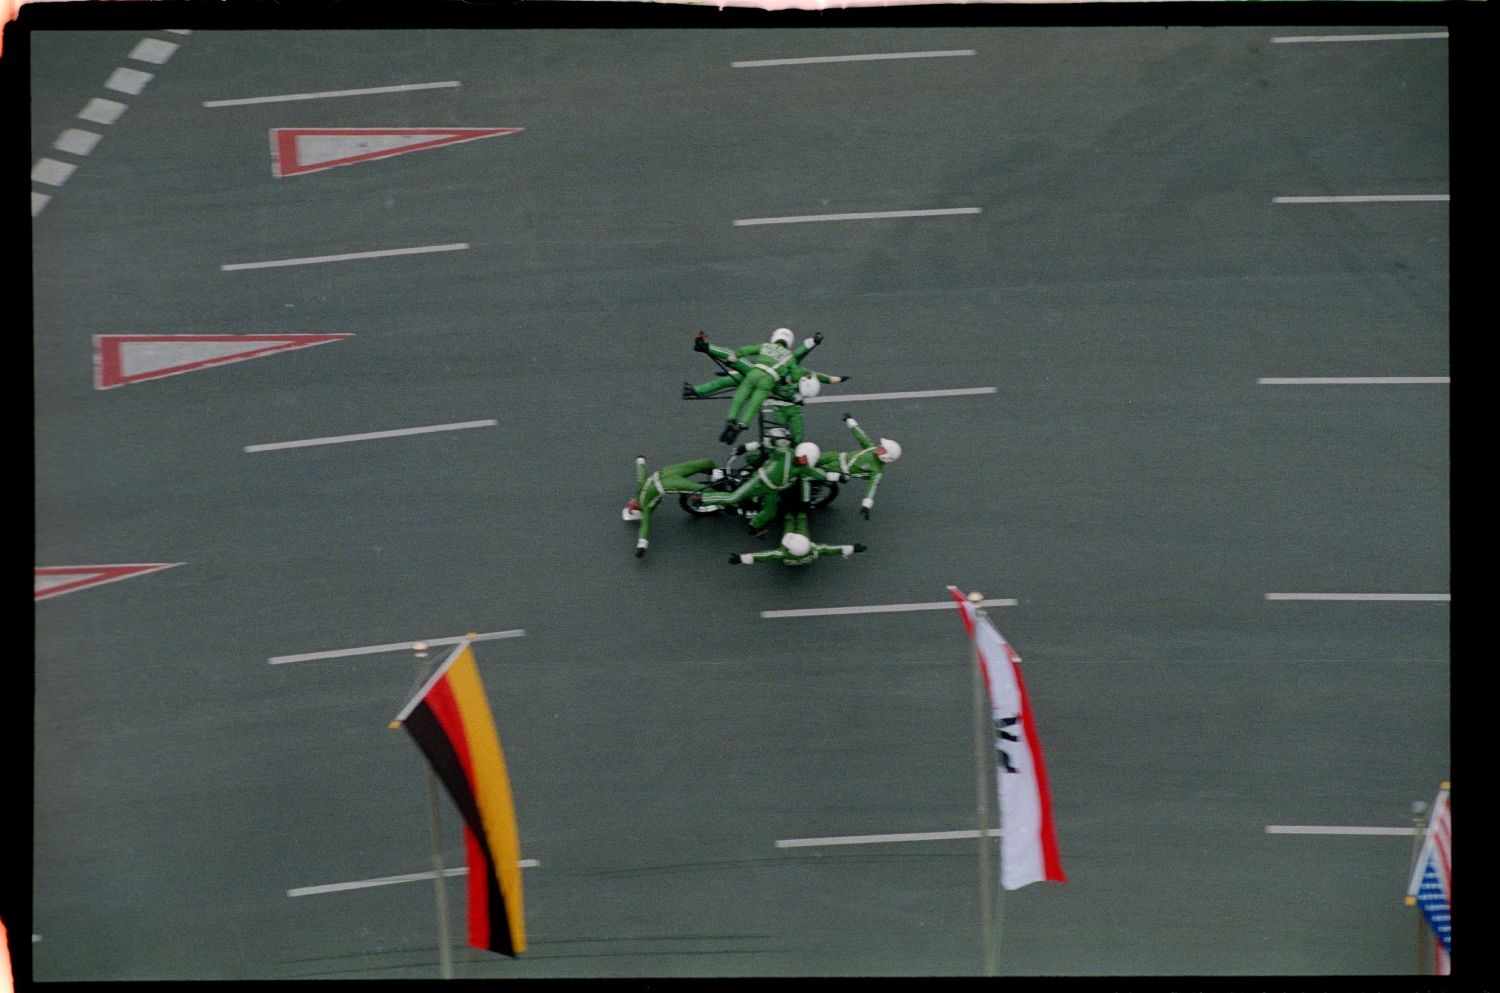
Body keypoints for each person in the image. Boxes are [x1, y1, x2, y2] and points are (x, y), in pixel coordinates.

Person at [684, 333, 849, 444]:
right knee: (755, 405)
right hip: (772, 389)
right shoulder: (797, 371)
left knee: (732, 384)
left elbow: (744, 352)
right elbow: (816, 372)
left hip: (755, 373)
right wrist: (837, 379)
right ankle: (742, 424)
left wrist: (813, 341)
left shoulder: (769, 348)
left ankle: (700, 375)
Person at [690, 441, 843, 533]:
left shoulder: (803, 468)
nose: (801, 460)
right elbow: (768, 445)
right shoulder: (785, 452)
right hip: (759, 481)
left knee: (770, 512)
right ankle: (702, 498)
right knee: (733, 497)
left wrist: (838, 476)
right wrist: (748, 446)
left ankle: (754, 526)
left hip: (772, 490)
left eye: (805, 460)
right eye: (801, 457)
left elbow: (821, 475)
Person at [622, 455, 721, 557]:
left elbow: (641, 473)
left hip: (667, 472)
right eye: (631, 508)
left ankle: (721, 477)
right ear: (636, 511)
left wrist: (640, 461)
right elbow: (645, 525)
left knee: (706, 463)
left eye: (629, 505)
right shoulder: (646, 506)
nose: (630, 502)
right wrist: (642, 545)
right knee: (703, 490)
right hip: (669, 483)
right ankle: (724, 495)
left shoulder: (640, 489)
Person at [818, 414, 902, 519]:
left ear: (886, 457)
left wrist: (866, 505)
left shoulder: (876, 471)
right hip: (837, 456)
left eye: (883, 449)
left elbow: (872, 487)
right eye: (881, 445)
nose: (879, 446)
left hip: (839, 470)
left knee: (812, 472)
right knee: (813, 456)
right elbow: (861, 436)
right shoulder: (871, 448)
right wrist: (850, 420)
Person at [727, 508, 866, 566]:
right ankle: (799, 512)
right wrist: (853, 548)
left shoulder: (783, 553)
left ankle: (790, 513)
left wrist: (741, 559)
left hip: (794, 553)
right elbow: (831, 550)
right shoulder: (812, 549)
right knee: (801, 520)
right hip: (801, 550)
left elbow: (765, 556)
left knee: (789, 522)